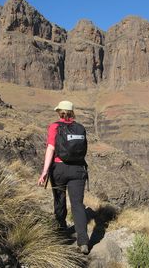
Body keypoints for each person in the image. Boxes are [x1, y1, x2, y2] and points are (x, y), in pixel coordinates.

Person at [37, 100, 89, 254]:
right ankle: (83, 242)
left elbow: (51, 148)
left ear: (59, 112)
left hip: (59, 169)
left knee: (59, 200)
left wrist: (44, 172)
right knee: (78, 205)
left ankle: (61, 234)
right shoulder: (80, 128)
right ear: (72, 113)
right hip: (78, 170)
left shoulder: (55, 126)